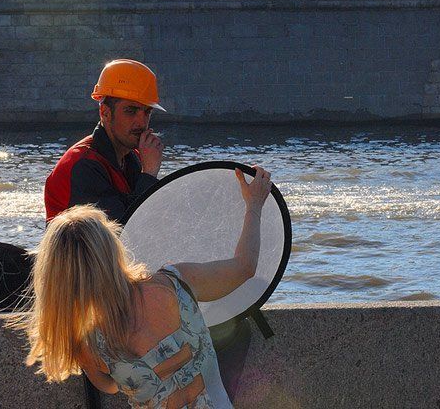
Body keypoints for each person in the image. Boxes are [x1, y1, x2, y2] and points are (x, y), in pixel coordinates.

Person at [19, 165, 272, 408]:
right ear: (112, 248)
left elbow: (109, 385)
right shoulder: (176, 283)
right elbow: (244, 267)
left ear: (57, 280)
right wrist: (254, 206)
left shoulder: (87, 344)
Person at [44, 59, 165, 223]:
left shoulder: (132, 157)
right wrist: (149, 174)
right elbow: (122, 232)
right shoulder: (83, 165)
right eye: (131, 111)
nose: (142, 122)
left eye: (147, 112)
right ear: (105, 113)